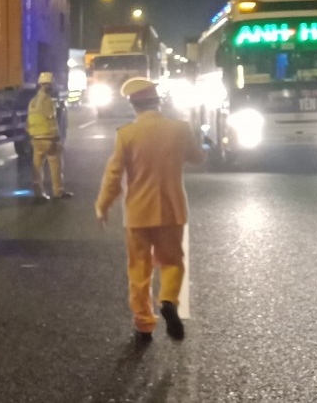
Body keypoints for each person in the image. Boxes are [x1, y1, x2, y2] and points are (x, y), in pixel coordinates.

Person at [94, 77, 205, 345]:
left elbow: (114, 174)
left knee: (139, 269)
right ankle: (167, 299)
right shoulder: (179, 129)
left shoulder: (126, 134)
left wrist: (103, 205)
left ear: (133, 105)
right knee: (172, 262)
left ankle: (144, 324)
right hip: (171, 210)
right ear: (158, 102)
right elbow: (198, 158)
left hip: (138, 213)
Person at [27, 71, 73, 203]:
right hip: (49, 138)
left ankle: (38, 194)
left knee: (37, 168)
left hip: (36, 139)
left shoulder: (33, 101)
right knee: (55, 166)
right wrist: (58, 138)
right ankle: (58, 191)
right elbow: (51, 119)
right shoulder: (48, 101)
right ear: (50, 85)